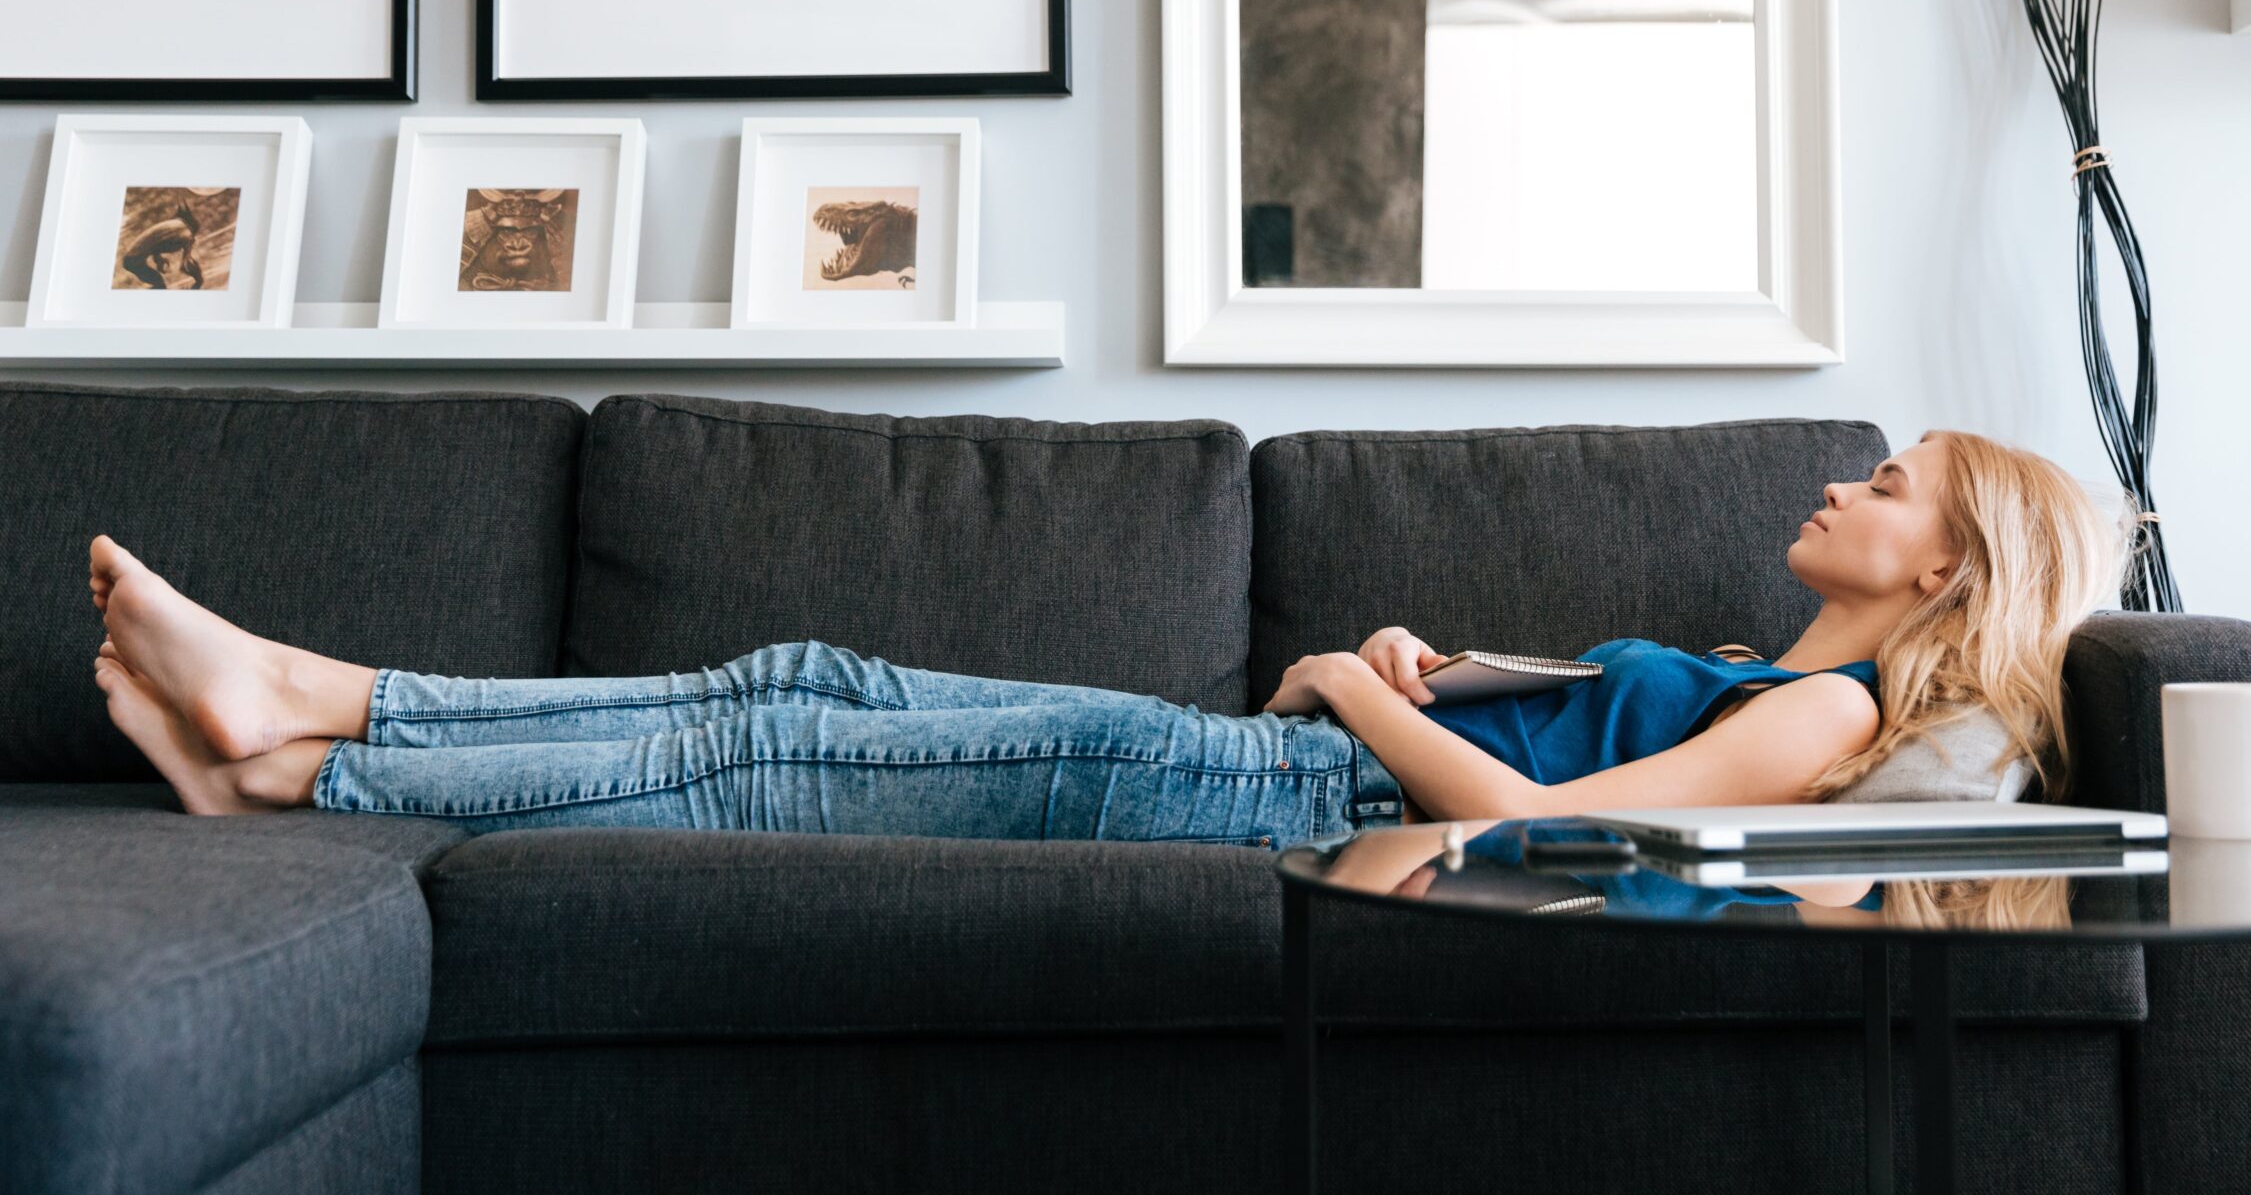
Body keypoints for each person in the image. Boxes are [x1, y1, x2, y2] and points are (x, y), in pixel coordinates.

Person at [86, 430, 2131, 846]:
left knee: (778, 739)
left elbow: (1528, 836)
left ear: (1941, 570)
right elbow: (1548, 753)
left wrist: (1339, 679)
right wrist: (1432, 658)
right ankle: (282, 744)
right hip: (1277, 762)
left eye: (1892, 480)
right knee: (791, 691)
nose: (1849, 481)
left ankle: (306, 724)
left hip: (1265, 783)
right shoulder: (1777, 680)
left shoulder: (1824, 721)